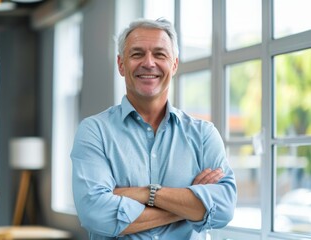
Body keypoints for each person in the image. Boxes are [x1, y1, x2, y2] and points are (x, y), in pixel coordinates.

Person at [70, 18, 237, 239]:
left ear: (174, 64)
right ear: (121, 65)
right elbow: (96, 214)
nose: (149, 63)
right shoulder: (94, 131)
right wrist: (190, 205)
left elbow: (223, 209)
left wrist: (146, 194)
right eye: (137, 54)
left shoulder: (204, 135)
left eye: (160, 54)